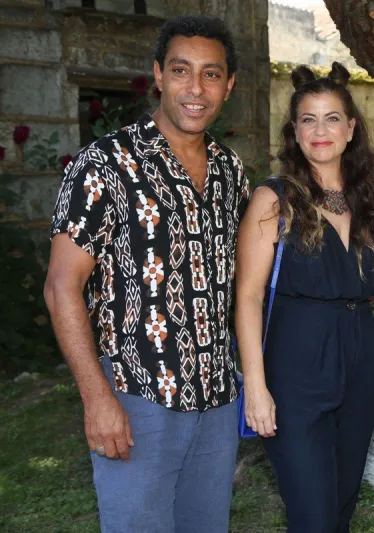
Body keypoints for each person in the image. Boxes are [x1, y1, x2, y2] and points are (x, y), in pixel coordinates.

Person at [43, 16, 247, 533]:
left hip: (218, 400)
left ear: (229, 85)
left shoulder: (231, 170)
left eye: (211, 74)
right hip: (138, 399)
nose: (195, 89)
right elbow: (61, 287)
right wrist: (97, 398)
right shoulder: (104, 164)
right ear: (158, 74)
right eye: (181, 71)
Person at [235, 62, 374, 533]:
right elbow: (247, 296)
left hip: (361, 362)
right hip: (294, 370)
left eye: (331, 119)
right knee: (313, 516)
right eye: (308, 119)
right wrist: (256, 387)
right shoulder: (274, 199)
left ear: (351, 129)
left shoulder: (370, 202)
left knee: (342, 505)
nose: (320, 130)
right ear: (295, 131)